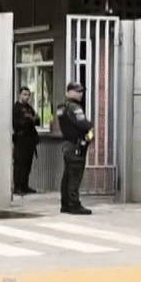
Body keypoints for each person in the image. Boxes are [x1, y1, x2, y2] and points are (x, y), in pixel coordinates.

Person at [56, 81, 94, 215]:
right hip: (76, 145)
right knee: (74, 176)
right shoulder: (74, 107)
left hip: (67, 144)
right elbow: (84, 124)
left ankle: (65, 203)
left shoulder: (61, 107)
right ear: (69, 91)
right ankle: (73, 204)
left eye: (82, 91)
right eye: (77, 91)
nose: (80, 94)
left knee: (67, 176)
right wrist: (91, 128)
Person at [12, 87, 40, 195]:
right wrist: (27, 121)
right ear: (19, 95)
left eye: (28, 95)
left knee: (28, 164)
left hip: (30, 140)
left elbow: (37, 120)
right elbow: (16, 123)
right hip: (20, 139)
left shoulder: (29, 108)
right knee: (20, 164)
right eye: (24, 94)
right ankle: (18, 187)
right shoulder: (16, 108)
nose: (26, 97)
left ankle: (25, 185)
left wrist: (32, 120)